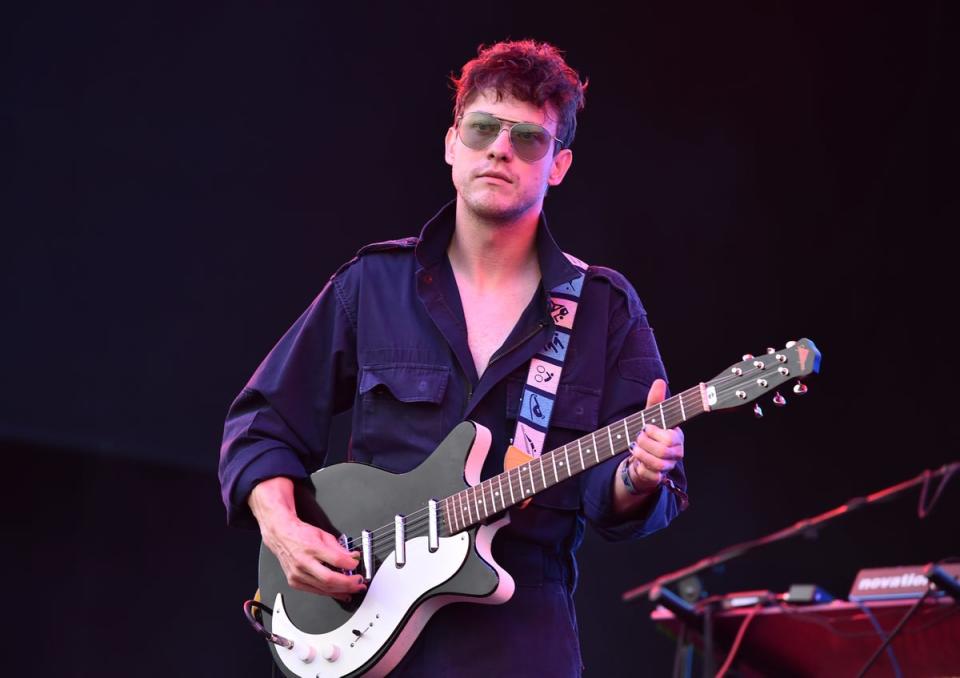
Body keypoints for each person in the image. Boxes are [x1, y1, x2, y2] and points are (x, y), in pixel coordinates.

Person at [219, 39, 688, 677]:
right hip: (361, 631)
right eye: (483, 128)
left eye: (527, 137)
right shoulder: (373, 283)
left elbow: (623, 504)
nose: (500, 148)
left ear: (558, 165)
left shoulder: (602, 308)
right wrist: (282, 529)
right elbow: (261, 425)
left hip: (520, 643)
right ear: (451, 145)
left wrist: (640, 476)